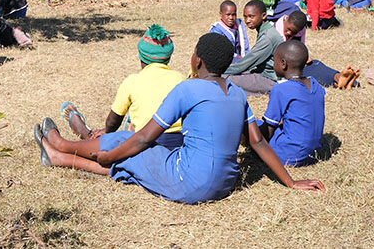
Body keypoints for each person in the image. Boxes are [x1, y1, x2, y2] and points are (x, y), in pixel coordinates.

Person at [32, 33, 325, 205]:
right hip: (224, 185)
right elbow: (258, 142)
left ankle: (62, 144)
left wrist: (109, 155)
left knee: (126, 142)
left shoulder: (187, 88)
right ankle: (59, 158)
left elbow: (144, 137)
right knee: (137, 163)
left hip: (188, 182)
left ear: (196, 61)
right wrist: (290, 181)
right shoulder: (236, 93)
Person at [59, 25, 186, 150]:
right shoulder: (181, 79)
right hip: (177, 145)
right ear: (168, 57)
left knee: (114, 140)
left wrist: (107, 130)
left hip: (144, 146)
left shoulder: (132, 82)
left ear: (141, 57)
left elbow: (113, 121)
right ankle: (128, 125)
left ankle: (86, 133)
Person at [258, 41, 325, 167]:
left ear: (283, 64)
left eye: (274, 61)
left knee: (253, 127)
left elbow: (269, 128)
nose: (273, 65)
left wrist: (254, 143)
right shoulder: (316, 84)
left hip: (289, 155)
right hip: (314, 152)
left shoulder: (281, 89)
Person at [223, 0, 283, 95]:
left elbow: (248, 62)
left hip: (270, 79)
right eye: (245, 17)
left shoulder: (267, 37)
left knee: (225, 78)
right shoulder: (266, 30)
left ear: (263, 16)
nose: (247, 21)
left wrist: (218, 71)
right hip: (262, 72)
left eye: (251, 16)